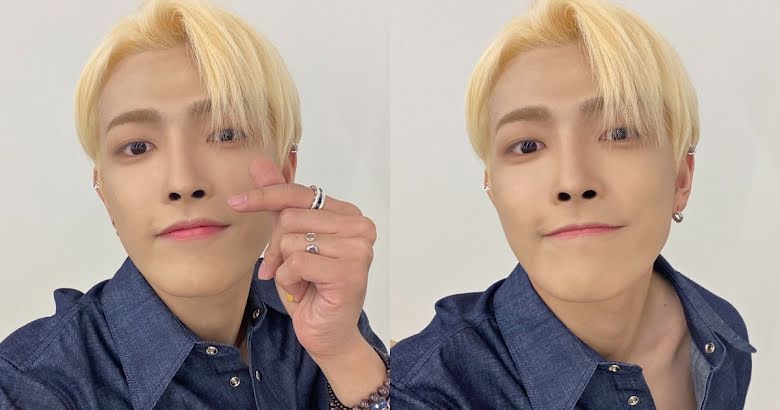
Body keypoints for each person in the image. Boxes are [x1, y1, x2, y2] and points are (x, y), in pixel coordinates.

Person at [0, 1, 389, 408]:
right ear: (105, 195)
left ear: (286, 169)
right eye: (137, 147)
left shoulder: (317, 304)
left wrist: (345, 355)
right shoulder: (28, 389)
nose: (183, 183)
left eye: (225, 134)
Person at [391, 0, 755, 408]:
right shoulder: (424, 390)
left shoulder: (721, 338)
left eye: (620, 133)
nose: (573, 182)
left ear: (681, 178)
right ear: (493, 189)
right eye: (527, 146)